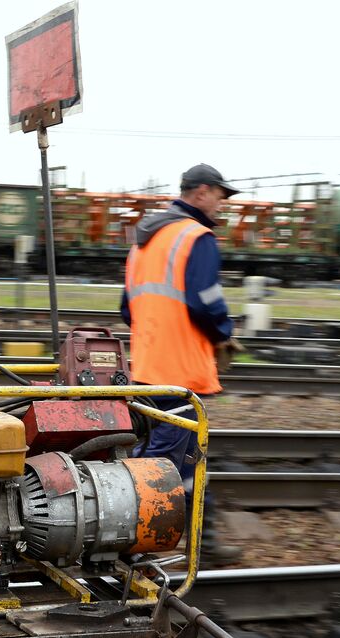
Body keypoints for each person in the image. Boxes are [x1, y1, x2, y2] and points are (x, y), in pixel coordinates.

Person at [120, 163, 241, 563]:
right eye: (221, 198)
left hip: (146, 371)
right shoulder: (197, 237)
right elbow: (205, 302)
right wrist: (225, 332)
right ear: (202, 193)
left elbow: (127, 309)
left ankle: (202, 540)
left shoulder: (143, 242)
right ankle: (132, 546)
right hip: (181, 372)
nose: (222, 207)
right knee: (168, 465)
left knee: (174, 462)